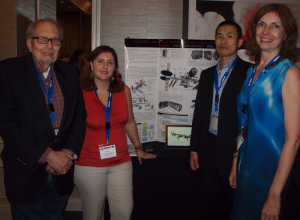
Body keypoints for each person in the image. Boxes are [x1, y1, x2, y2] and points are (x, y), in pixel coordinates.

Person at [0, 18, 86, 219]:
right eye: (42, 39)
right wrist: (49, 155)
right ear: (29, 43)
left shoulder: (69, 73)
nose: (49, 46)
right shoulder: (8, 72)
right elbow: (7, 124)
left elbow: (79, 117)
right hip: (26, 171)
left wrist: (67, 153)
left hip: (61, 172)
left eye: (55, 40)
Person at [229, 4, 300, 219]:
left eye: (275, 26)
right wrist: (236, 160)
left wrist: (275, 194)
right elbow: (245, 123)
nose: (266, 31)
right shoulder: (252, 71)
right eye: (261, 24)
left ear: (285, 34)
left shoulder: (289, 73)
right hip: (246, 165)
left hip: (270, 172)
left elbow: (294, 139)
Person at [74, 45, 156, 220]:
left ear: (115, 67)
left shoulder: (123, 91)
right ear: (91, 64)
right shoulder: (80, 93)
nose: (105, 66)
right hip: (89, 163)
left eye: (110, 62)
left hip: (120, 161)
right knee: (94, 214)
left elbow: (130, 121)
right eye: (100, 61)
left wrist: (138, 148)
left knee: (124, 212)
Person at [189, 21, 252, 219]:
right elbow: (199, 113)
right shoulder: (207, 75)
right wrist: (194, 148)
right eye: (219, 36)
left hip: (234, 152)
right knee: (208, 205)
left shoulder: (250, 73)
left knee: (234, 207)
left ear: (240, 42)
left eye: (229, 35)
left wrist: (239, 154)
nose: (223, 40)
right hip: (208, 149)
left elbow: (250, 117)